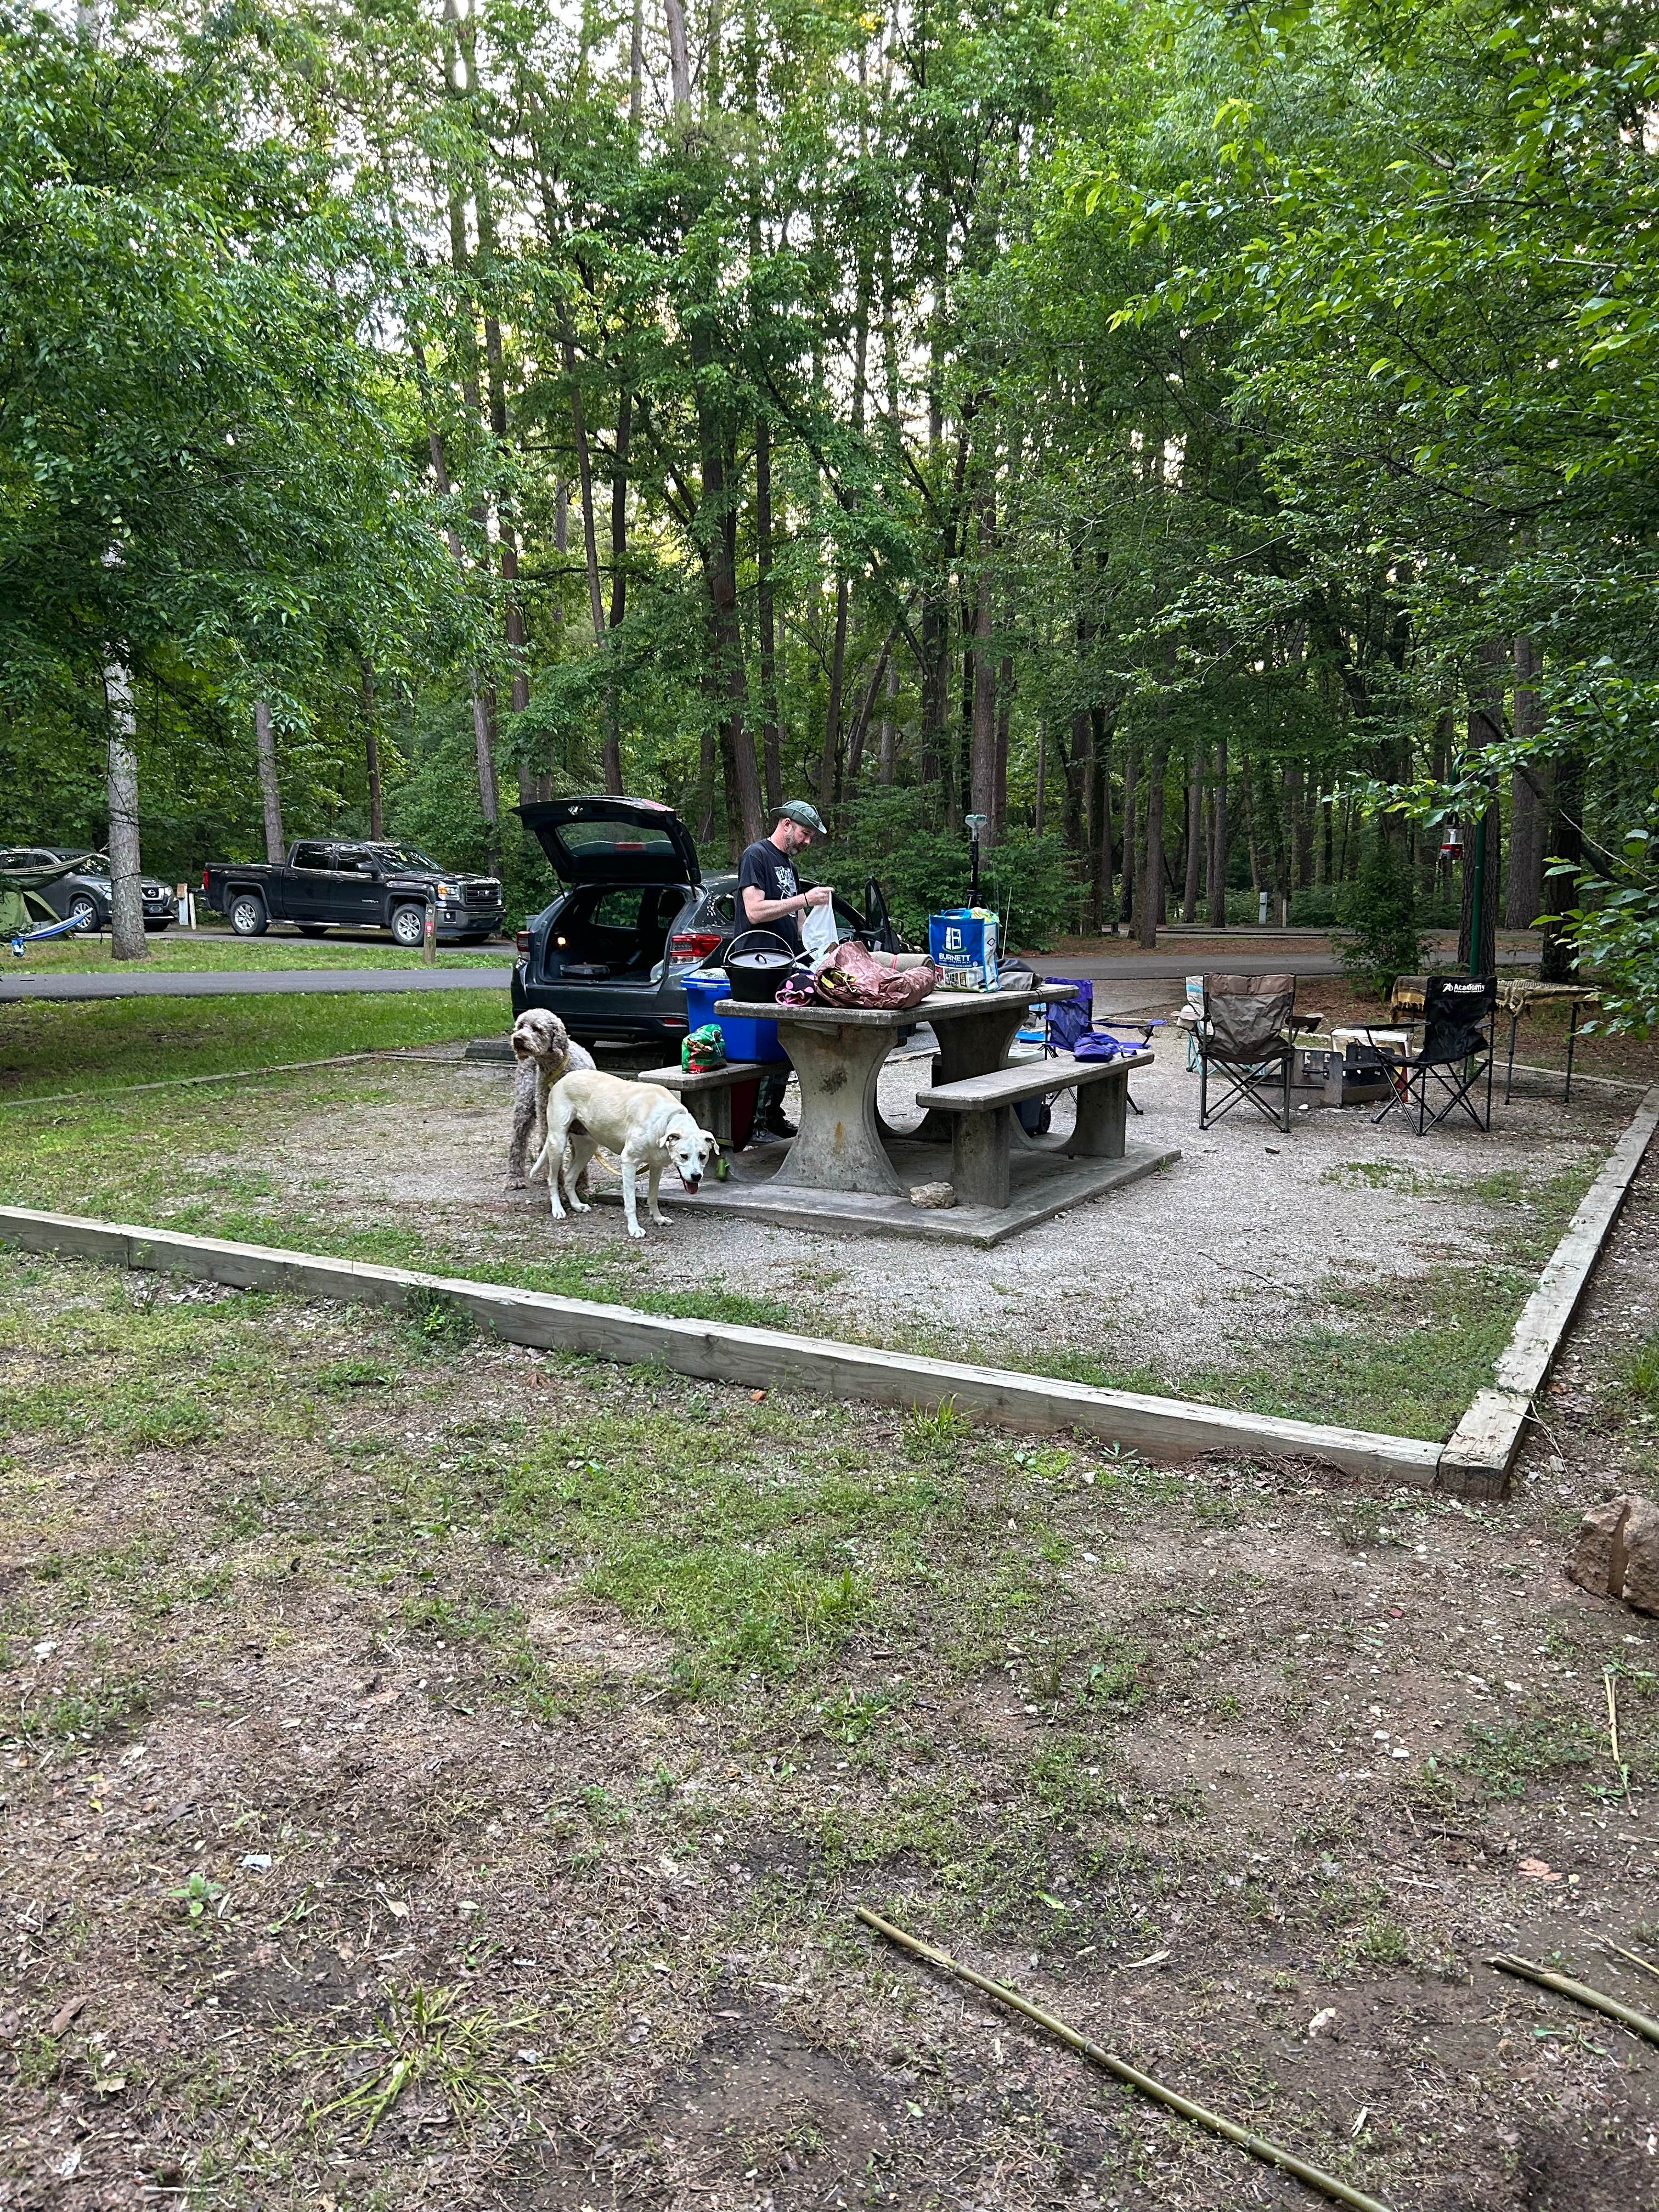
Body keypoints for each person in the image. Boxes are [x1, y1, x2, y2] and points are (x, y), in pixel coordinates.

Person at [737, 800, 832, 1139]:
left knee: (787, 1041)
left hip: (786, 962)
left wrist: (817, 949)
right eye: (805, 834)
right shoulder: (756, 856)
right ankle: (757, 1124)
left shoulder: (787, 865)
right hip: (758, 965)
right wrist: (806, 899)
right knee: (767, 1043)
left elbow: (797, 918)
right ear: (787, 825)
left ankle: (773, 1115)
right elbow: (754, 911)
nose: (807, 842)